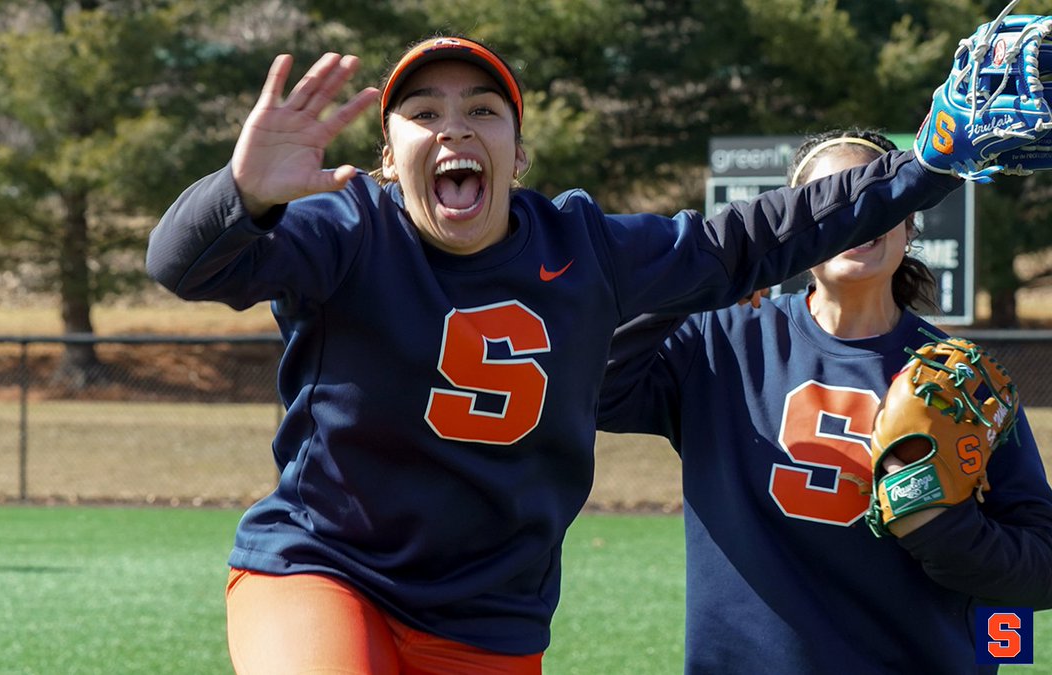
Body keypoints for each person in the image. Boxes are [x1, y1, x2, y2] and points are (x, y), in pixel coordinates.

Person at [146, 35, 965, 672]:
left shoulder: (581, 243)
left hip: (491, 607)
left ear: (518, 154)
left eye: (482, 111)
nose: (454, 128)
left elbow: (753, 238)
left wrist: (928, 159)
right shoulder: (348, 226)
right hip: (326, 567)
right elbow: (183, 265)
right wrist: (242, 193)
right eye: (424, 113)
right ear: (390, 159)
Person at [599, 129, 1052, 674]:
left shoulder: (963, 383)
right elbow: (599, 387)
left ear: (909, 223)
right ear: (797, 227)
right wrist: (698, 281)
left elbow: (1040, 570)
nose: (854, 218)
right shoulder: (718, 340)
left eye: (874, 200)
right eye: (832, 202)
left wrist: (940, 528)